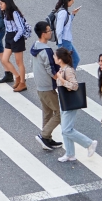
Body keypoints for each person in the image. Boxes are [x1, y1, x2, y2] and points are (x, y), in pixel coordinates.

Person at [53, 48, 97, 162]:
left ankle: (89, 143)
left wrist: (61, 80)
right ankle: (70, 154)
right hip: (63, 100)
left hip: (70, 102)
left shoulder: (68, 70)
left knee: (67, 130)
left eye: (55, 56)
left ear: (60, 59)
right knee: (64, 129)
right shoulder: (62, 69)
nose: (53, 57)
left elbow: (75, 86)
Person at [29, 22, 63, 150]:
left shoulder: (35, 46)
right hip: (47, 87)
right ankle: (44, 135)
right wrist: (62, 81)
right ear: (43, 34)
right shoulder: (46, 50)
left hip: (39, 85)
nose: (51, 33)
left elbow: (31, 64)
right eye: (49, 31)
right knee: (59, 113)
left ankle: (46, 140)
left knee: (47, 113)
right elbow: (51, 70)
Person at [0, 0, 29, 92]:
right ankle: (17, 76)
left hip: (16, 37)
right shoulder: (4, 12)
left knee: (19, 62)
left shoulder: (14, 13)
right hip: (9, 36)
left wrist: (15, 39)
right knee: (4, 60)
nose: (0, 5)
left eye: (1, 3)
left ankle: (23, 83)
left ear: (7, 3)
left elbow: (21, 28)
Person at [54, 0, 81, 68]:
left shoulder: (64, 11)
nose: (73, 2)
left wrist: (73, 15)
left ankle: (68, 78)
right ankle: (67, 78)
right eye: (72, 0)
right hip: (64, 42)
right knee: (68, 64)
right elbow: (59, 30)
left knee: (75, 59)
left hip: (67, 41)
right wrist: (61, 45)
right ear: (68, 0)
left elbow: (66, 23)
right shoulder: (63, 12)